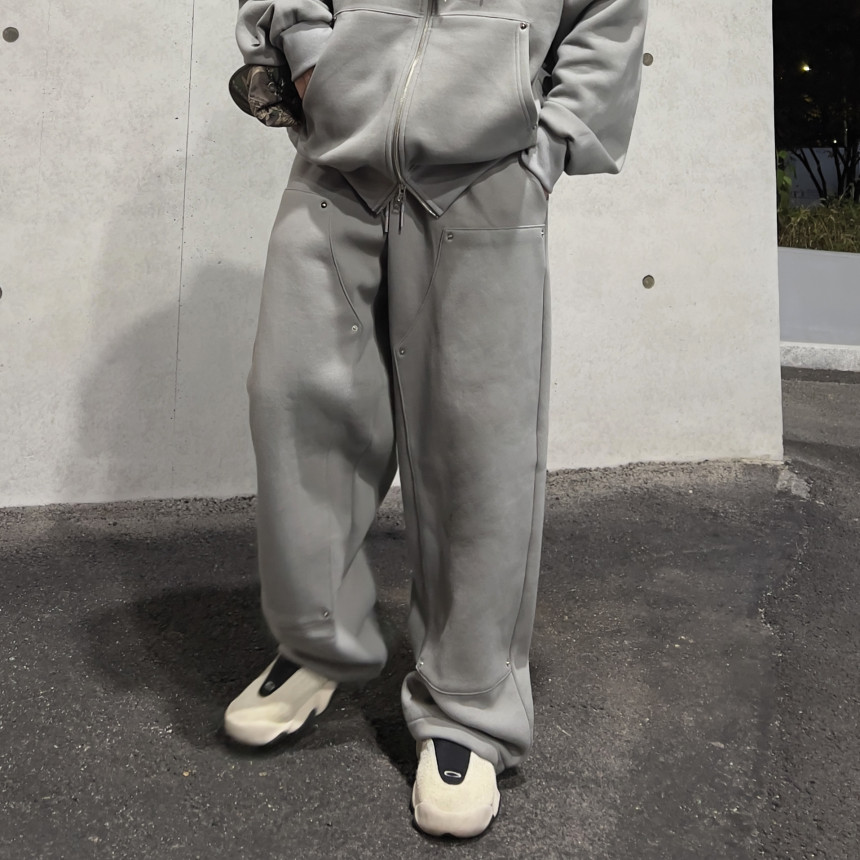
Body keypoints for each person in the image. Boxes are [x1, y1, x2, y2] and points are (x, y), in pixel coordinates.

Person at [224, 0, 647, 838]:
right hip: (337, 169)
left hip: (485, 182)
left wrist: (547, 148)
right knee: (297, 407)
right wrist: (312, 60)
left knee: (477, 447)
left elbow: (608, 21)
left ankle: (469, 705)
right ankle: (317, 643)